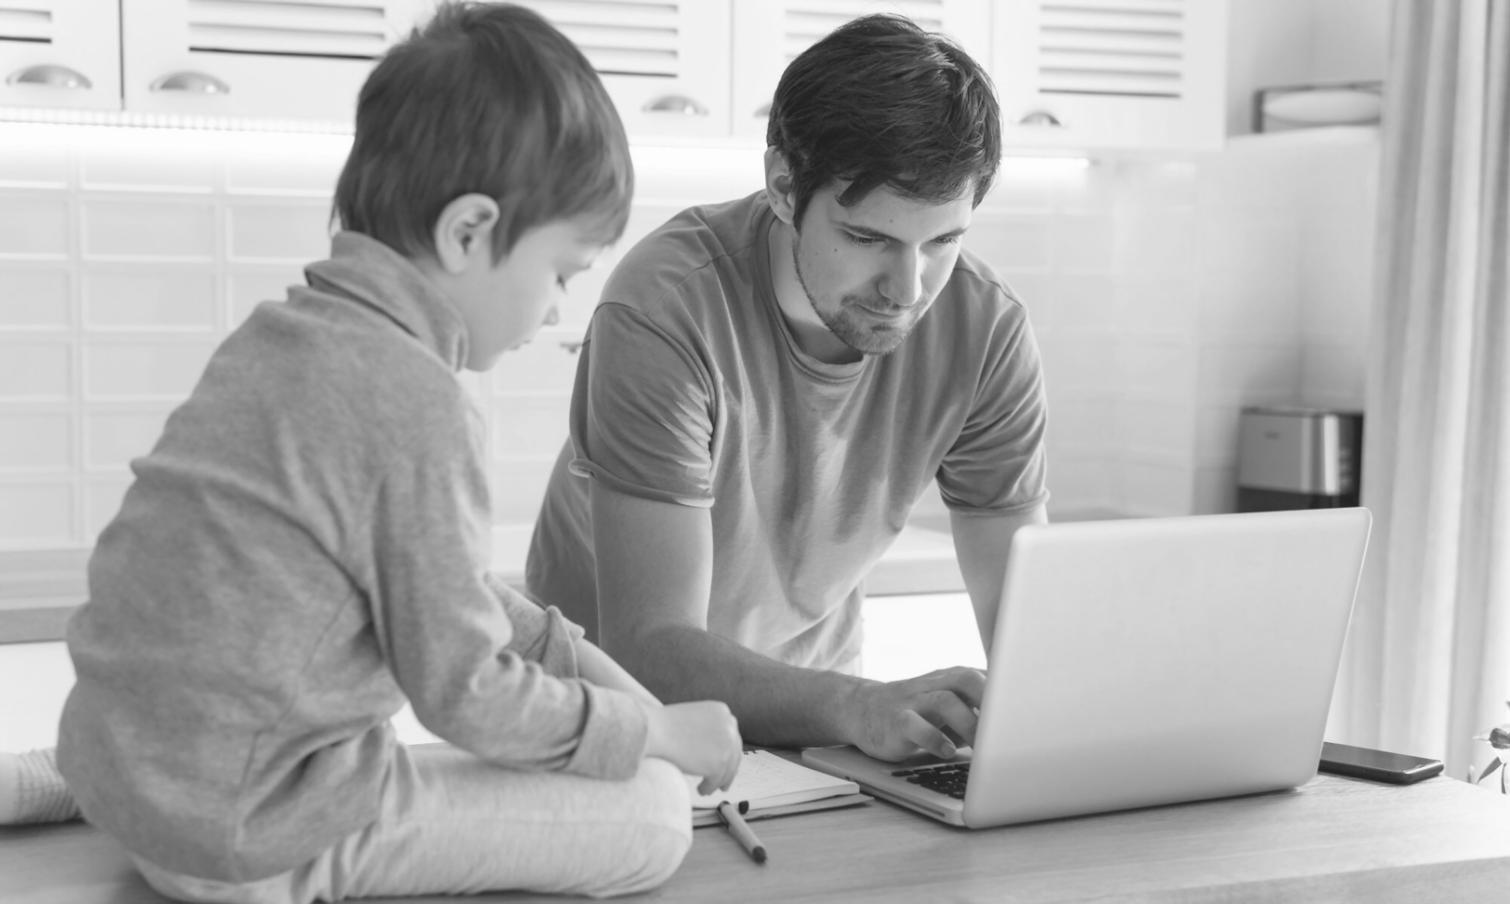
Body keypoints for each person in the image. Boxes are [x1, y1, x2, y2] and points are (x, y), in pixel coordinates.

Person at [0, 3, 743, 901]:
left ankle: (53, 777)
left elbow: (446, 591)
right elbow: (469, 699)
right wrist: (658, 740)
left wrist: (605, 681)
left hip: (138, 780)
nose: (555, 311)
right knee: (655, 816)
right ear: (468, 233)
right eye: (561, 273)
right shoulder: (419, 402)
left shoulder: (284, 338)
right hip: (248, 842)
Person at [526, 13, 1049, 765]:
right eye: (869, 239)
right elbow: (652, 647)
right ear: (781, 186)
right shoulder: (665, 307)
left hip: (823, 722)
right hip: (614, 726)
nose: (909, 289)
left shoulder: (985, 327)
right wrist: (853, 704)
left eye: (942, 241)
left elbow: (1025, 614)